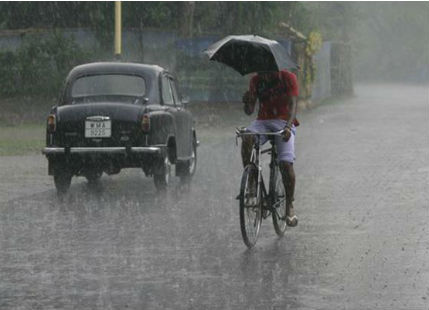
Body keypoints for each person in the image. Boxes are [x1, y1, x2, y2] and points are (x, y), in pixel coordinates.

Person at [241, 69, 299, 227]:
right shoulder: (256, 80)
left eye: (267, 70)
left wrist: (288, 126)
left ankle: (289, 205)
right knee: (246, 138)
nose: (264, 74)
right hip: (262, 122)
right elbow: (249, 111)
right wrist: (247, 101)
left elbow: (294, 105)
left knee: (286, 164)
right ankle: (252, 180)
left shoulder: (288, 78)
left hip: (284, 122)